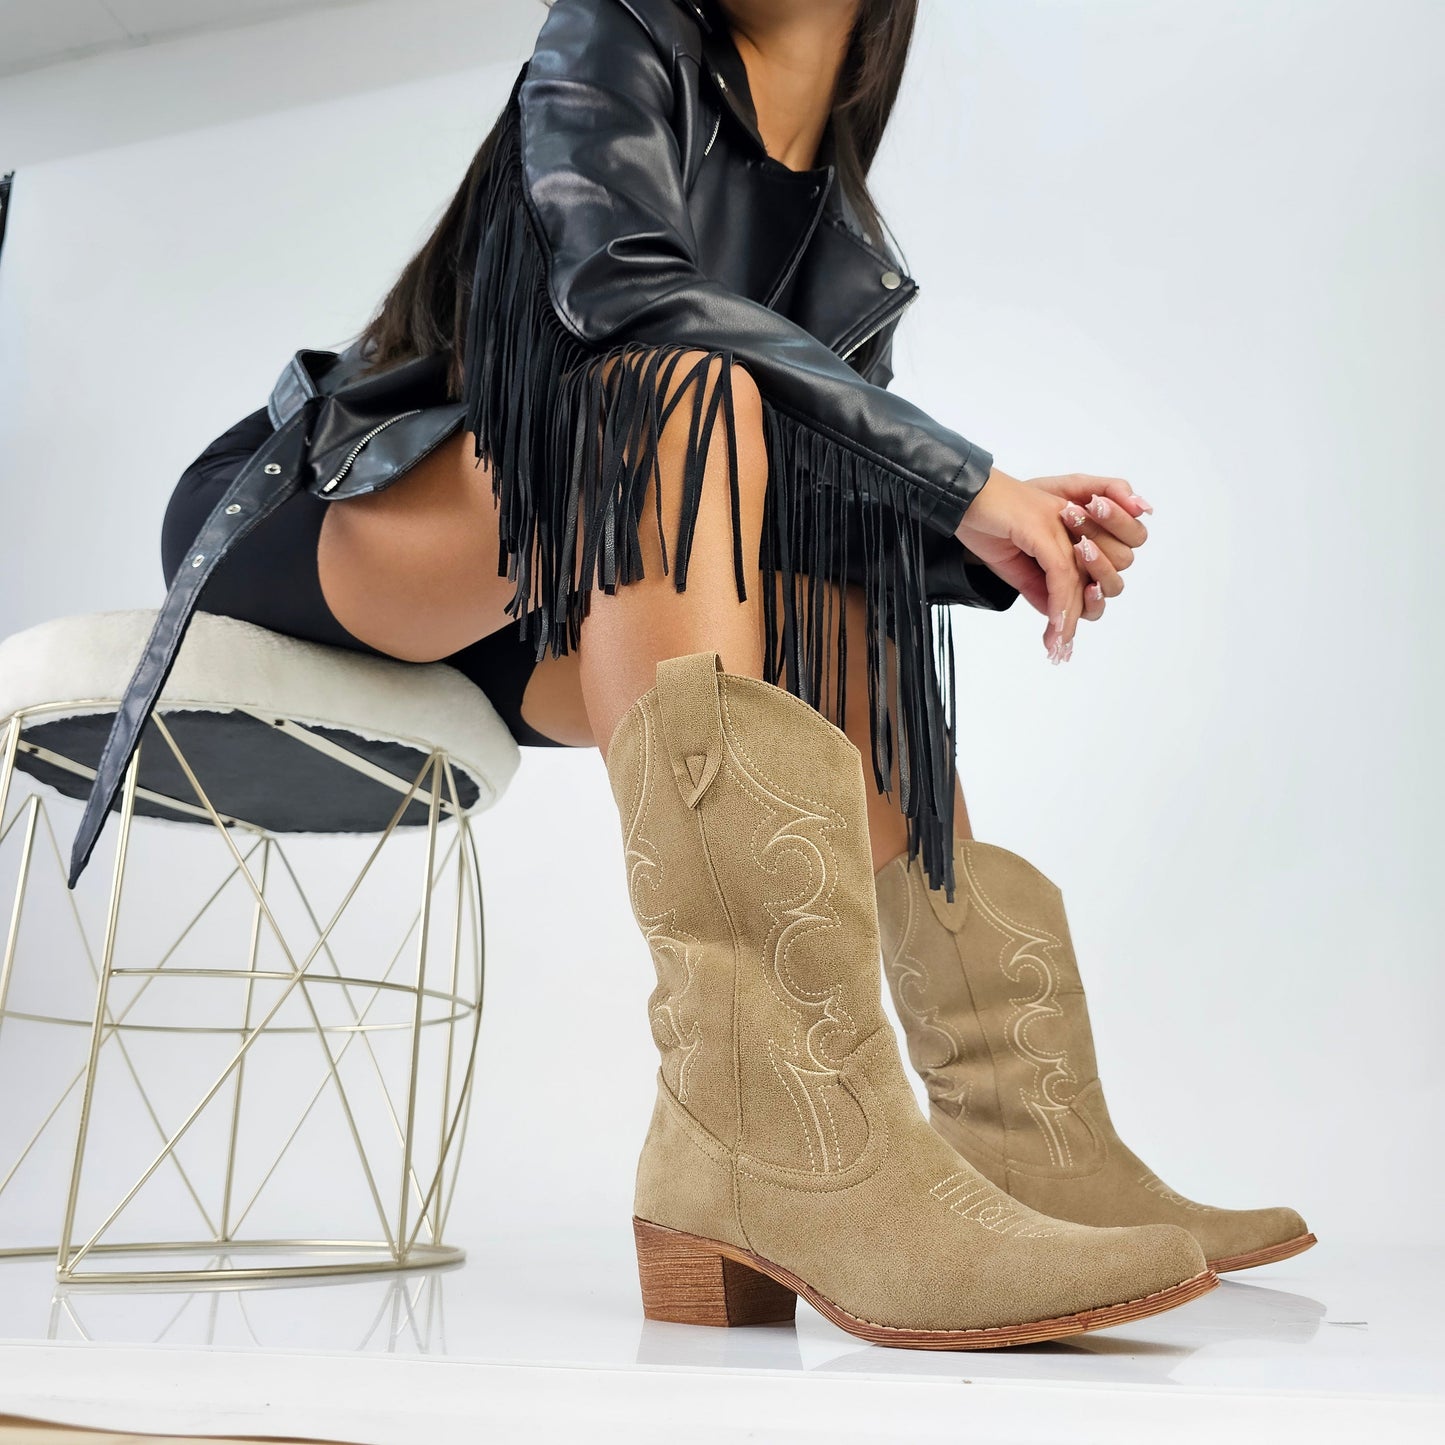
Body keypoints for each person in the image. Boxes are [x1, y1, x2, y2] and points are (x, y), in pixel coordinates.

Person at [142, 0, 1311, 1348]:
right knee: (677, 393)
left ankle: (1018, 1139)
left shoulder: (840, 232)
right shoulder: (613, 29)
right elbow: (623, 297)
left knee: (832, 593)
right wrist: (964, 479)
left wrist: (1000, 540)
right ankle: (779, 1137)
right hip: (346, 513)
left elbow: (795, 499)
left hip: (555, 590)